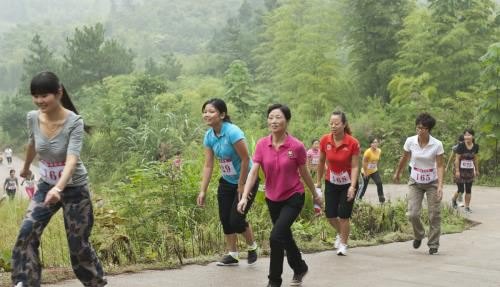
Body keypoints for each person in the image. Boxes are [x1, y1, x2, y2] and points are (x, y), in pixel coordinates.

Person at [11, 71, 107, 287]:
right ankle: (25, 282)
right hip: (46, 186)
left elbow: (72, 160)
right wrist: (26, 167)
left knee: (78, 245)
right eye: (35, 95)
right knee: (27, 232)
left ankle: (95, 283)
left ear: (59, 93)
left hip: (75, 190)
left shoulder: (74, 122)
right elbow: (32, 144)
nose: (39, 101)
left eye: (45, 95)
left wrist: (59, 188)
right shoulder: (32, 117)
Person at [238, 104, 322, 287]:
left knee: (276, 236)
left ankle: (274, 281)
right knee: (284, 236)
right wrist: (244, 196)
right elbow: (253, 172)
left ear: (287, 120)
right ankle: (300, 267)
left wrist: (315, 194)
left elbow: (305, 172)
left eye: (278, 117)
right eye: (270, 117)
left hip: (294, 196)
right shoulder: (262, 144)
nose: (274, 121)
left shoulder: (297, 146)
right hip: (273, 198)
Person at [197, 98, 259, 266]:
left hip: (246, 180)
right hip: (227, 181)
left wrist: (241, 185)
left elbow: (246, 159)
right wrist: (203, 190)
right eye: (205, 111)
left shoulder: (232, 132)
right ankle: (232, 254)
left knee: (236, 219)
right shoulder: (209, 136)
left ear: (222, 115)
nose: (207, 115)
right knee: (225, 218)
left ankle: (252, 246)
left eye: (211, 111)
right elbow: (208, 164)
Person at [393, 113, 444, 255]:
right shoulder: (410, 141)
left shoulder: (437, 144)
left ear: (429, 129)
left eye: (423, 128)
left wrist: (440, 186)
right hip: (415, 180)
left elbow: (440, 166)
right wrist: (398, 173)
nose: (419, 130)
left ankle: (433, 243)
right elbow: (404, 158)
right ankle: (419, 234)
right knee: (412, 214)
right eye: (418, 127)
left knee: (434, 214)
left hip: (432, 182)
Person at [316, 110, 360, 256]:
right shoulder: (325, 140)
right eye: (331, 123)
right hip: (331, 182)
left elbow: (354, 166)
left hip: (348, 184)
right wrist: (318, 182)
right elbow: (321, 161)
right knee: (330, 214)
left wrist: (353, 187)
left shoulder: (352, 143)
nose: (333, 126)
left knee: (344, 215)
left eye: (336, 123)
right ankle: (342, 234)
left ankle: (343, 244)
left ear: (344, 124)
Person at [452, 129, 479, 212]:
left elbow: (475, 159)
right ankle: (453, 200)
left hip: (469, 171)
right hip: (460, 170)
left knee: (468, 189)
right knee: (461, 189)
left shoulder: (476, 146)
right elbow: (457, 159)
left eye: (469, 135)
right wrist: (457, 171)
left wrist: (477, 170)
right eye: (465, 135)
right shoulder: (461, 146)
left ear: (473, 136)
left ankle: (467, 207)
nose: (467, 137)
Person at [358, 137, 385, 203]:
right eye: (373, 142)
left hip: (374, 171)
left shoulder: (379, 151)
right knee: (364, 186)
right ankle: (358, 200)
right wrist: (365, 172)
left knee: (379, 183)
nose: (375, 144)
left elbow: (376, 160)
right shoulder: (368, 152)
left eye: (376, 142)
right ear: (371, 144)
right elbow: (364, 162)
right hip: (365, 171)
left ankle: (381, 200)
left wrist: (375, 167)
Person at [447, 135, 464, 207]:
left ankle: (458, 199)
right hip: (456, 169)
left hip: (464, 170)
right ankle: (454, 200)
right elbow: (451, 158)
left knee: (462, 188)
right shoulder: (456, 148)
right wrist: (447, 166)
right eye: (461, 141)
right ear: (458, 141)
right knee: (461, 188)